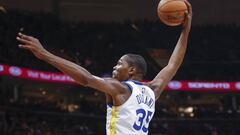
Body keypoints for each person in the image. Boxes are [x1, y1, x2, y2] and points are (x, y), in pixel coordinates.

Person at [17, 1, 192, 134]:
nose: (115, 67)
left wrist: (45, 54)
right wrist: (186, 29)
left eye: (119, 64)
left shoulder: (121, 88)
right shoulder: (152, 91)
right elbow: (173, 64)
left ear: (132, 70)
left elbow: (86, 78)